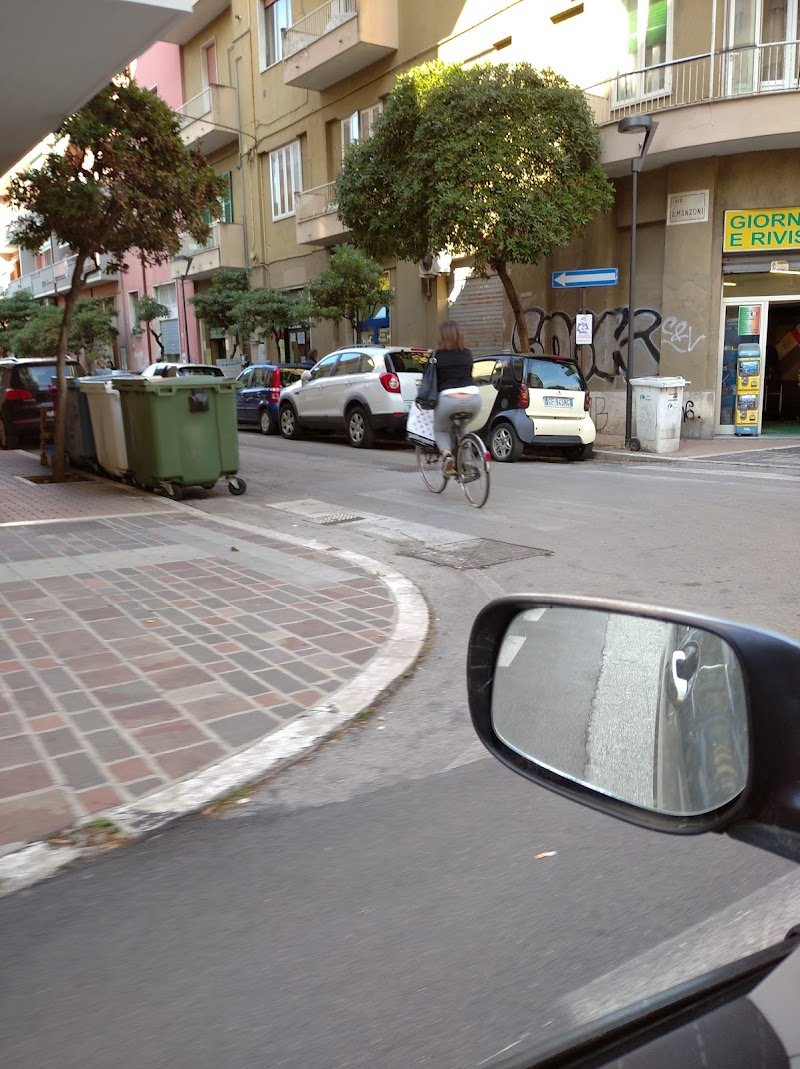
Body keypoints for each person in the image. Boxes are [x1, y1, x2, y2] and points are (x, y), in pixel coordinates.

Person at [432, 320, 481, 476]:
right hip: (474, 399)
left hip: (449, 400)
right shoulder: (468, 353)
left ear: (442, 337)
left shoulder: (437, 356)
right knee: (462, 426)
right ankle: (467, 461)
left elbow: (432, 381)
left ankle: (447, 457)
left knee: (440, 430)